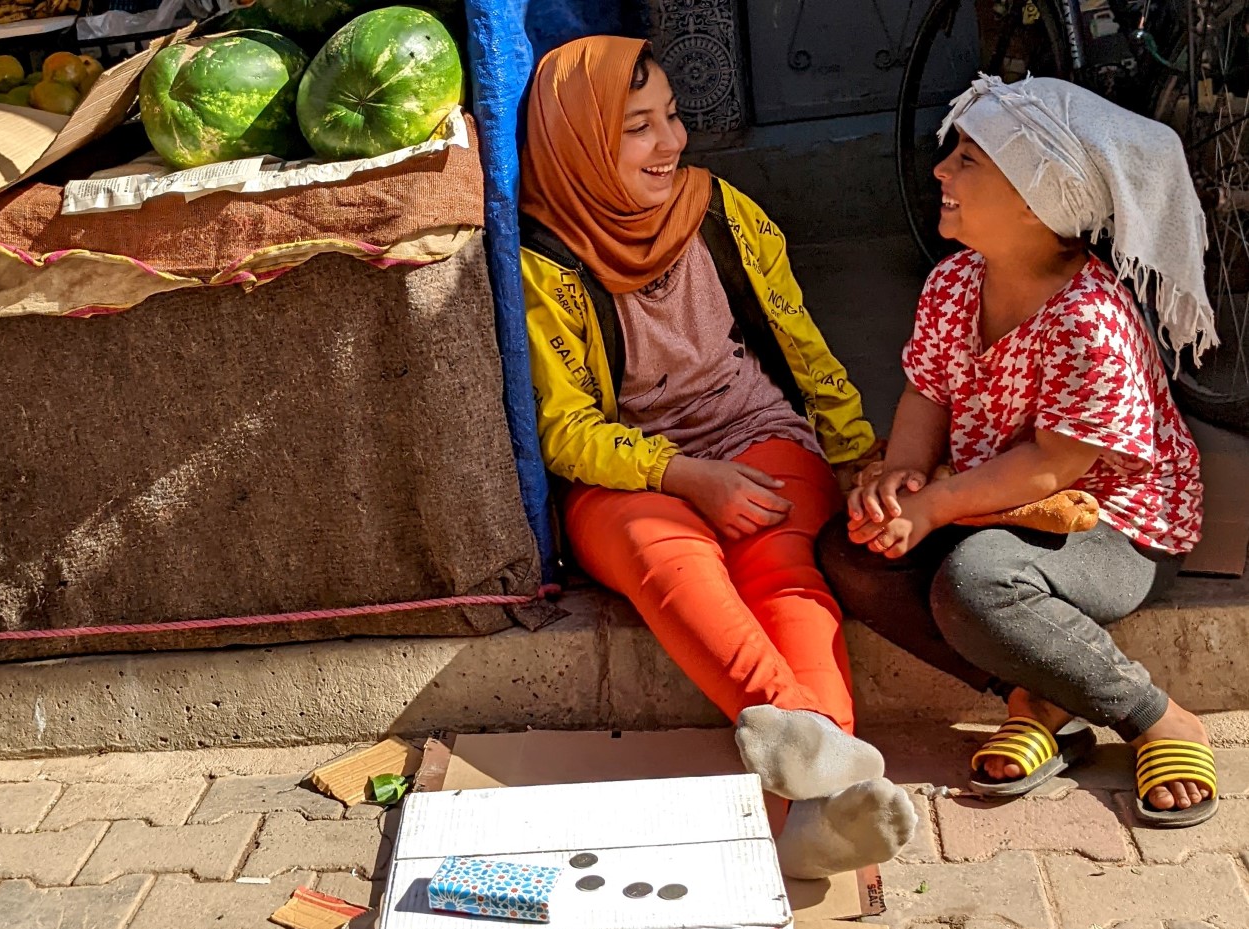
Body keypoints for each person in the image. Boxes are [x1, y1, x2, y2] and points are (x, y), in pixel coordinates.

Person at [519, 35, 916, 877]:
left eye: (671, 117)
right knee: (673, 561)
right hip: (626, 467)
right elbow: (565, 429)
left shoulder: (722, 212)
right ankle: (819, 787)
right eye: (638, 127)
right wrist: (684, 476)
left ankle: (811, 804)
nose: (672, 143)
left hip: (752, 428)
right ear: (576, 141)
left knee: (784, 572)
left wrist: (855, 453)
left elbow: (801, 346)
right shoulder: (543, 263)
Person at [819, 75, 1219, 827]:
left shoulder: (1088, 321)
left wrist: (936, 505)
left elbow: (1052, 467)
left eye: (968, 160)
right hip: (995, 500)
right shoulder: (953, 283)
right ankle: (1037, 700)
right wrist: (903, 476)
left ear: (1036, 203)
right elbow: (927, 394)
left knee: (977, 582)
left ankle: (1157, 717)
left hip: (1113, 526)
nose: (941, 169)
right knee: (851, 552)